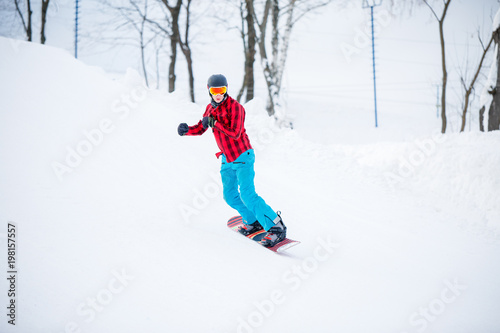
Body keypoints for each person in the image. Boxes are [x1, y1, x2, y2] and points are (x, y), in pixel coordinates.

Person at [177, 74, 286, 247]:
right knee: (229, 196)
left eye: (222, 90)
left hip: (242, 155)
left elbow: (235, 132)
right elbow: (201, 127)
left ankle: (276, 227)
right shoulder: (209, 109)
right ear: (209, 91)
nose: (218, 94)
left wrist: (215, 122)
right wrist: (187, 130)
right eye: (215, 91)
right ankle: (252, 221)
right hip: (227, 158)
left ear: (227, 89)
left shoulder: (236, 108)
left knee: (248, 195)